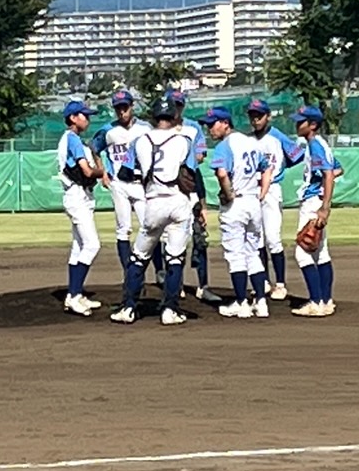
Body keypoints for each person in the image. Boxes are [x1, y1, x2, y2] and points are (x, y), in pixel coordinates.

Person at [110, 98, 199, 326]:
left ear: (154, 117)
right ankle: (170, 309)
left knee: (139, 257)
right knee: (175, 258)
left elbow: (125, 173)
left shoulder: (140, 140)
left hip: (153, 202)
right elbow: (192, 174)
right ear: (174, 116)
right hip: (179, 202)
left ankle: (128, 307)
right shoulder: (185, 140)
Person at [199, 107, 273, 319]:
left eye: (212, 124)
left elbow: (222, 174)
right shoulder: (251, 142)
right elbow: (267, 168)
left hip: (236, 205)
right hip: (253, 202)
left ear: (225, 123)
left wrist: (228, 194)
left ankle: (241, 303)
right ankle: (261, 302)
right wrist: (262, 192)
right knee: (253, 252)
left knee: (235, 255)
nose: (209, 129)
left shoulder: (225, 146)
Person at [246, 99, 305, 301]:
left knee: (272, 238)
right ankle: (263, 280)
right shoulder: (247, 140)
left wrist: (280, 168)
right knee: (257, 237)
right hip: (252, 189)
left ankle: (280, 283)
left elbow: (298, 155)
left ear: (268, 116)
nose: (255, 119)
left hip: (271, 189)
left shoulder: (277, 136)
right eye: (252, 116)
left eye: (259, 116)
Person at [167, 90, 221, 304]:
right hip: (170, 189)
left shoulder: (192, 127)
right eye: (173, 104)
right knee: (172, 239)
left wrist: (203, 204)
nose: (176, 108)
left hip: (190, 186)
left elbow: (200, 156)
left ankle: (203, 286)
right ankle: (176, 284)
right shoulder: (161, 128)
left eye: (179, 104)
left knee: (199, 238)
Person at [90, 90, 152, 274]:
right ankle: (128, 273)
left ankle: (159, 271)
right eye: (118, 108)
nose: (122, 111)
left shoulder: (146, 128)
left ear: (132, 106)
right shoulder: (108, 130)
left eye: (125, 107)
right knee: (123, 229)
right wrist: (103, 172)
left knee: (150, 227)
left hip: (141, 184)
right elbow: (94, 148)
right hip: (119, 184)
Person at [58, 100, 106, 316]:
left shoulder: (69, 138)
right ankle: (75, 295)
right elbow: (87, 172)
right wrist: (103, 172)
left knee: (79, 246)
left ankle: (73, 294)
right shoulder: (73, 139)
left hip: (77, 194)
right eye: (84, 115)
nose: (88, 119)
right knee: (92, 245)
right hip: (77, 195)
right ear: (73, 118)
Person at [289, 105, 336, 317]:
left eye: (301, 122)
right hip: (317, 200)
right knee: (321, 253)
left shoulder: (316, 145)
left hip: (313, 203)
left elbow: (329, 174)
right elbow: (337, 168)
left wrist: (325, 207)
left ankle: (316, 302)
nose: (297, 125)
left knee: (302, 251)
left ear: (313, 125)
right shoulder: (319, 144)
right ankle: (326, 301)